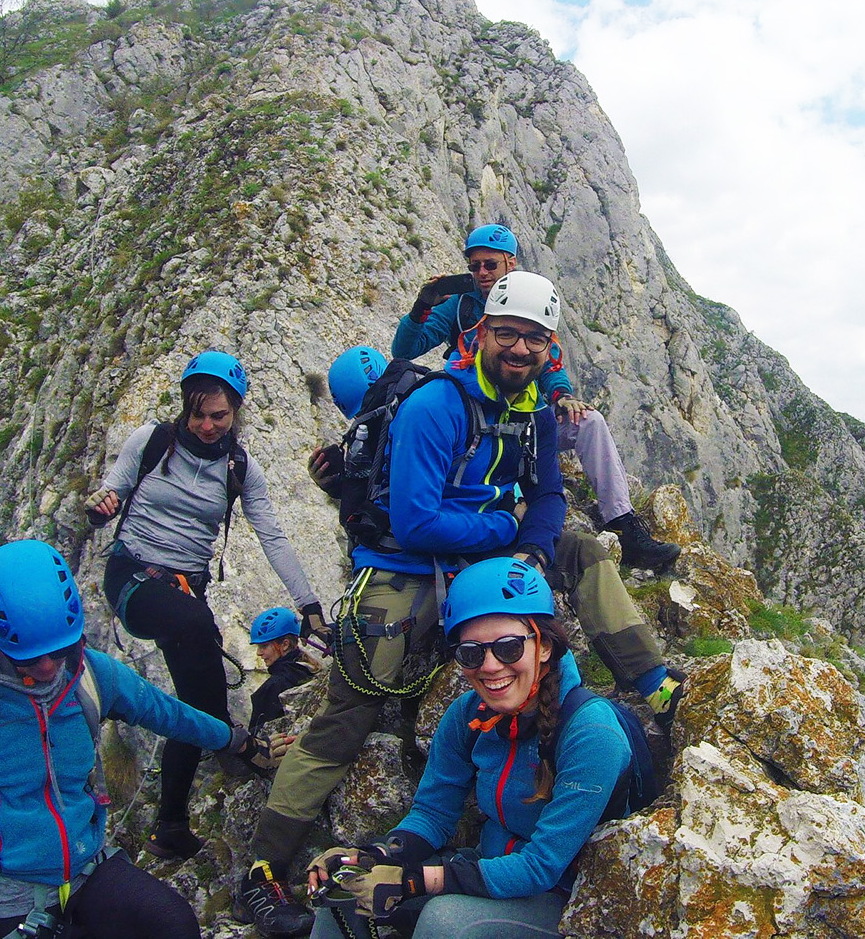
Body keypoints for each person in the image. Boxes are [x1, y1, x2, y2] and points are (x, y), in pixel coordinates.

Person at [235, 276, 678, 937]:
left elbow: (550, 498)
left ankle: (655, 681)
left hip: (485, 552)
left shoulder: (529, 410)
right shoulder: (438, 405)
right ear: (480, 335)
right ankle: (265, 870)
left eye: (535, 337)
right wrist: (508, 526)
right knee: (351, 706)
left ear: (548, 348)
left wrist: (531, 551)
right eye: (509, 333)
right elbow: (415, 522)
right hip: (408, 566)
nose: (520, 347)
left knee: (581, 548)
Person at [0, 539, 280, 939]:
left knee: (174, 925)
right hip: (5, 888)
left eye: (61, 650)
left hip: (86, 867)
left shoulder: (90, 673)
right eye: (31, 659)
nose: (50, 667)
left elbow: (169, 714)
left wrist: (237, 742)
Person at [303, 557, 631, 939]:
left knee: (445, 922)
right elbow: (432, 813)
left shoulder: (591, 732)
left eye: (508, 648)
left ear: (543, 647)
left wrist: (412, 881)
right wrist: (373, 856)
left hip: (567, 896)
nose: (490, 666)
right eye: (471, 653)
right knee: (344, 899)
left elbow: (543, 865)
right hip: (488, 867)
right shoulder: (468, 714)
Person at [84, 351, 325, 862]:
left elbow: (272, 536)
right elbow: (111, 493)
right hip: (133, 576)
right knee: (196, 628)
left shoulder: (241, 468)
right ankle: (240, 749)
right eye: (199, 414)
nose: (209, 425)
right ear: (184, 408)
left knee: (199, 705)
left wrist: (308, 604)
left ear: (235, 411)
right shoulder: (151, 442)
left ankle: (170, 826)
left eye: (220, 415)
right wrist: (100, 506)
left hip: (186, 592)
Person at [393, 224, 681, 573]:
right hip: (472, 419)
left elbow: (544, 359)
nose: (482, 273)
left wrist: (561, 396)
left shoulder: (531, 300)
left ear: (509, 264)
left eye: (490, 265)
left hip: (518, 419)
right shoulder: (459, 306)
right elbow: (405, 351)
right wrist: (422, 308)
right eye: (474, 266)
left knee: (589, 422)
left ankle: (621, 521)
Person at [249, 606, 318, 733]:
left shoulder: (275, 685)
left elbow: (257, 734)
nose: (259, 653)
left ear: (285, 644)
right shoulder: (310, 669)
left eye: (264, 646)